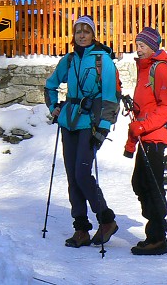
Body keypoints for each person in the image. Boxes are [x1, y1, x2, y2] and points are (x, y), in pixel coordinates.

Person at [44, 15, 119, 248]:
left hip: (92, 124)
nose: (82, 35)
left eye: (87, 31)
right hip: (69, 123)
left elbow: (110, 96)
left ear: (94, 34)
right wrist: (54, 106)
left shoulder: (102, 60)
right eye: (79, 31)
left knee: (82, 174)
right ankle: (81, 229)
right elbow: (50, 85)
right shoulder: (68, 60)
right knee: (72, 176)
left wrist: (104, 128)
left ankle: (106, 220)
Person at [124, 27, 167, 256]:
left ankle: (157, 237)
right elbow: (144, 107)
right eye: (137, 44)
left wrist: (143, 126)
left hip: (155, 138)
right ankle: (157, 229)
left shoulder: (161, 69)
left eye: (142, 45)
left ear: (153, 46)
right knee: (140, 183)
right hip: (145, 137)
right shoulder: (144, 69)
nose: (138, 48)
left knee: (151, 187)